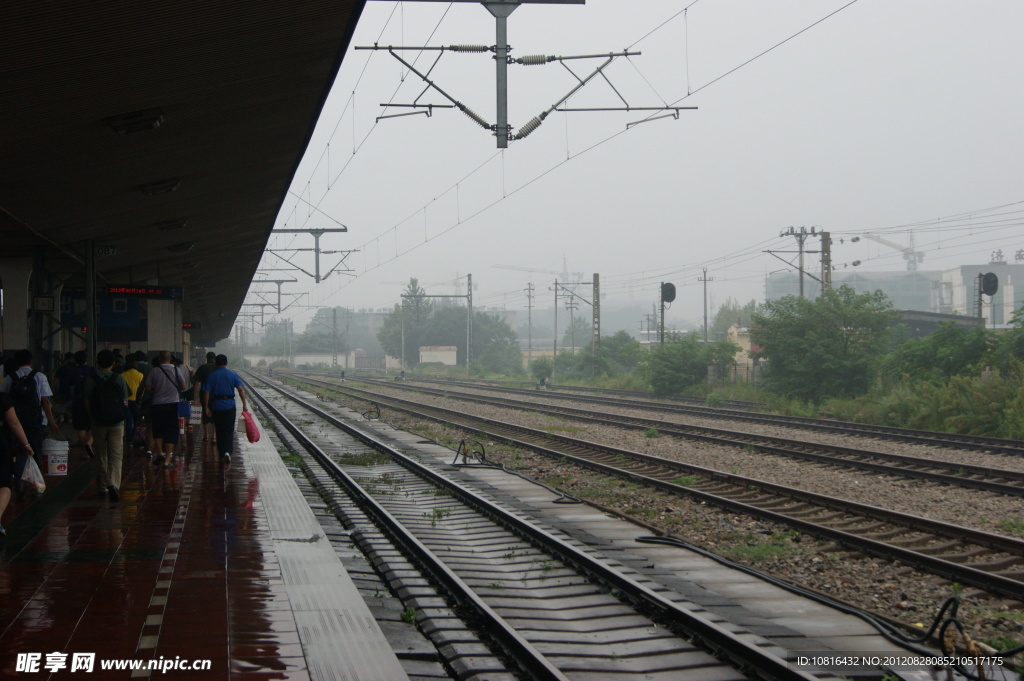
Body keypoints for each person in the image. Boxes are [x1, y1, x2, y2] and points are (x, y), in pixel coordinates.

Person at [0, 350, 60, 498]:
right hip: (37, 423)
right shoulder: (39, 377)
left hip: (17, 423)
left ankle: (19, 487)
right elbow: (45, 401)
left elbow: (3, 400)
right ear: (31, 361)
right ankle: (36, 487)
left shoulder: (10, 378)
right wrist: (52, 422)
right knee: (36, 453)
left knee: (20, 453)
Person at [83, 350, 129, 502]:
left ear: (97, 363)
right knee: (116, 456)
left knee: (101, 455)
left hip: (98, 423)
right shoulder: (119, 378)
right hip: (117, 423)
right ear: (113, 363)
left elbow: (87, 402)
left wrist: (93, 417)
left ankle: (102, 486)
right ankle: (114, 485)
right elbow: (125, 400)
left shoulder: (90, 379)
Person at [142, 350, 186, 469]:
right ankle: (167, 460)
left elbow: (148, 388)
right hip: (173, 405)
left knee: (158, 429)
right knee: (171, 431)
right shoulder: (176, 370)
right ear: (171, 359)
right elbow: (183, 386)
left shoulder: (154, 371)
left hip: (157, 405)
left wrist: (157, 390)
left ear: (159, 359)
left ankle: (160, 452)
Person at [0, 390, 35, 535]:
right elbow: (13, 422)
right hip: (1, 446)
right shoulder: (2, 398)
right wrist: (26, 444)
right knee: (4, 484)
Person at [201, 355, 248, 462]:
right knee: (229, 429)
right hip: (230, 405)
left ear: (216, 364)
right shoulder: (232, 374)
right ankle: (228, 451)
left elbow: (206, 392)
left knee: (219, 428)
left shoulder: (211, 376)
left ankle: (222, 452)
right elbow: (240, 389)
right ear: (226, 363)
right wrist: (244, 405)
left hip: (216, 406)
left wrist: (206, 407)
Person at [67, 351, 97, 459]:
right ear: (86, 359)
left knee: (80, 427)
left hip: (77, 403)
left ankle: (85, 452)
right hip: (91, 402)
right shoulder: (92, 370)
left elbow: (70, 388)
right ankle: (89, 443)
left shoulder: (72, 372)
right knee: (94, 425)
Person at [191, 352, 217, 445]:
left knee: (205, 413)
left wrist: (194, 394)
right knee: (215, 414)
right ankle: (214, 437)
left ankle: (206, 435)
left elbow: (196, 382)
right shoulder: (218, 367)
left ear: (207, 358)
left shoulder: (202, 367)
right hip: (216, 394)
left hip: (203, 393)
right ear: (215, 358)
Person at [120, 355, 145, 450]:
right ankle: (137, 439)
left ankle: (129, 441)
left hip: (125, 401)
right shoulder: (140, 375)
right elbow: (142, 389)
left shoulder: (122, 375)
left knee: (129, 421)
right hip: (137, 401)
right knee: (138, 421)